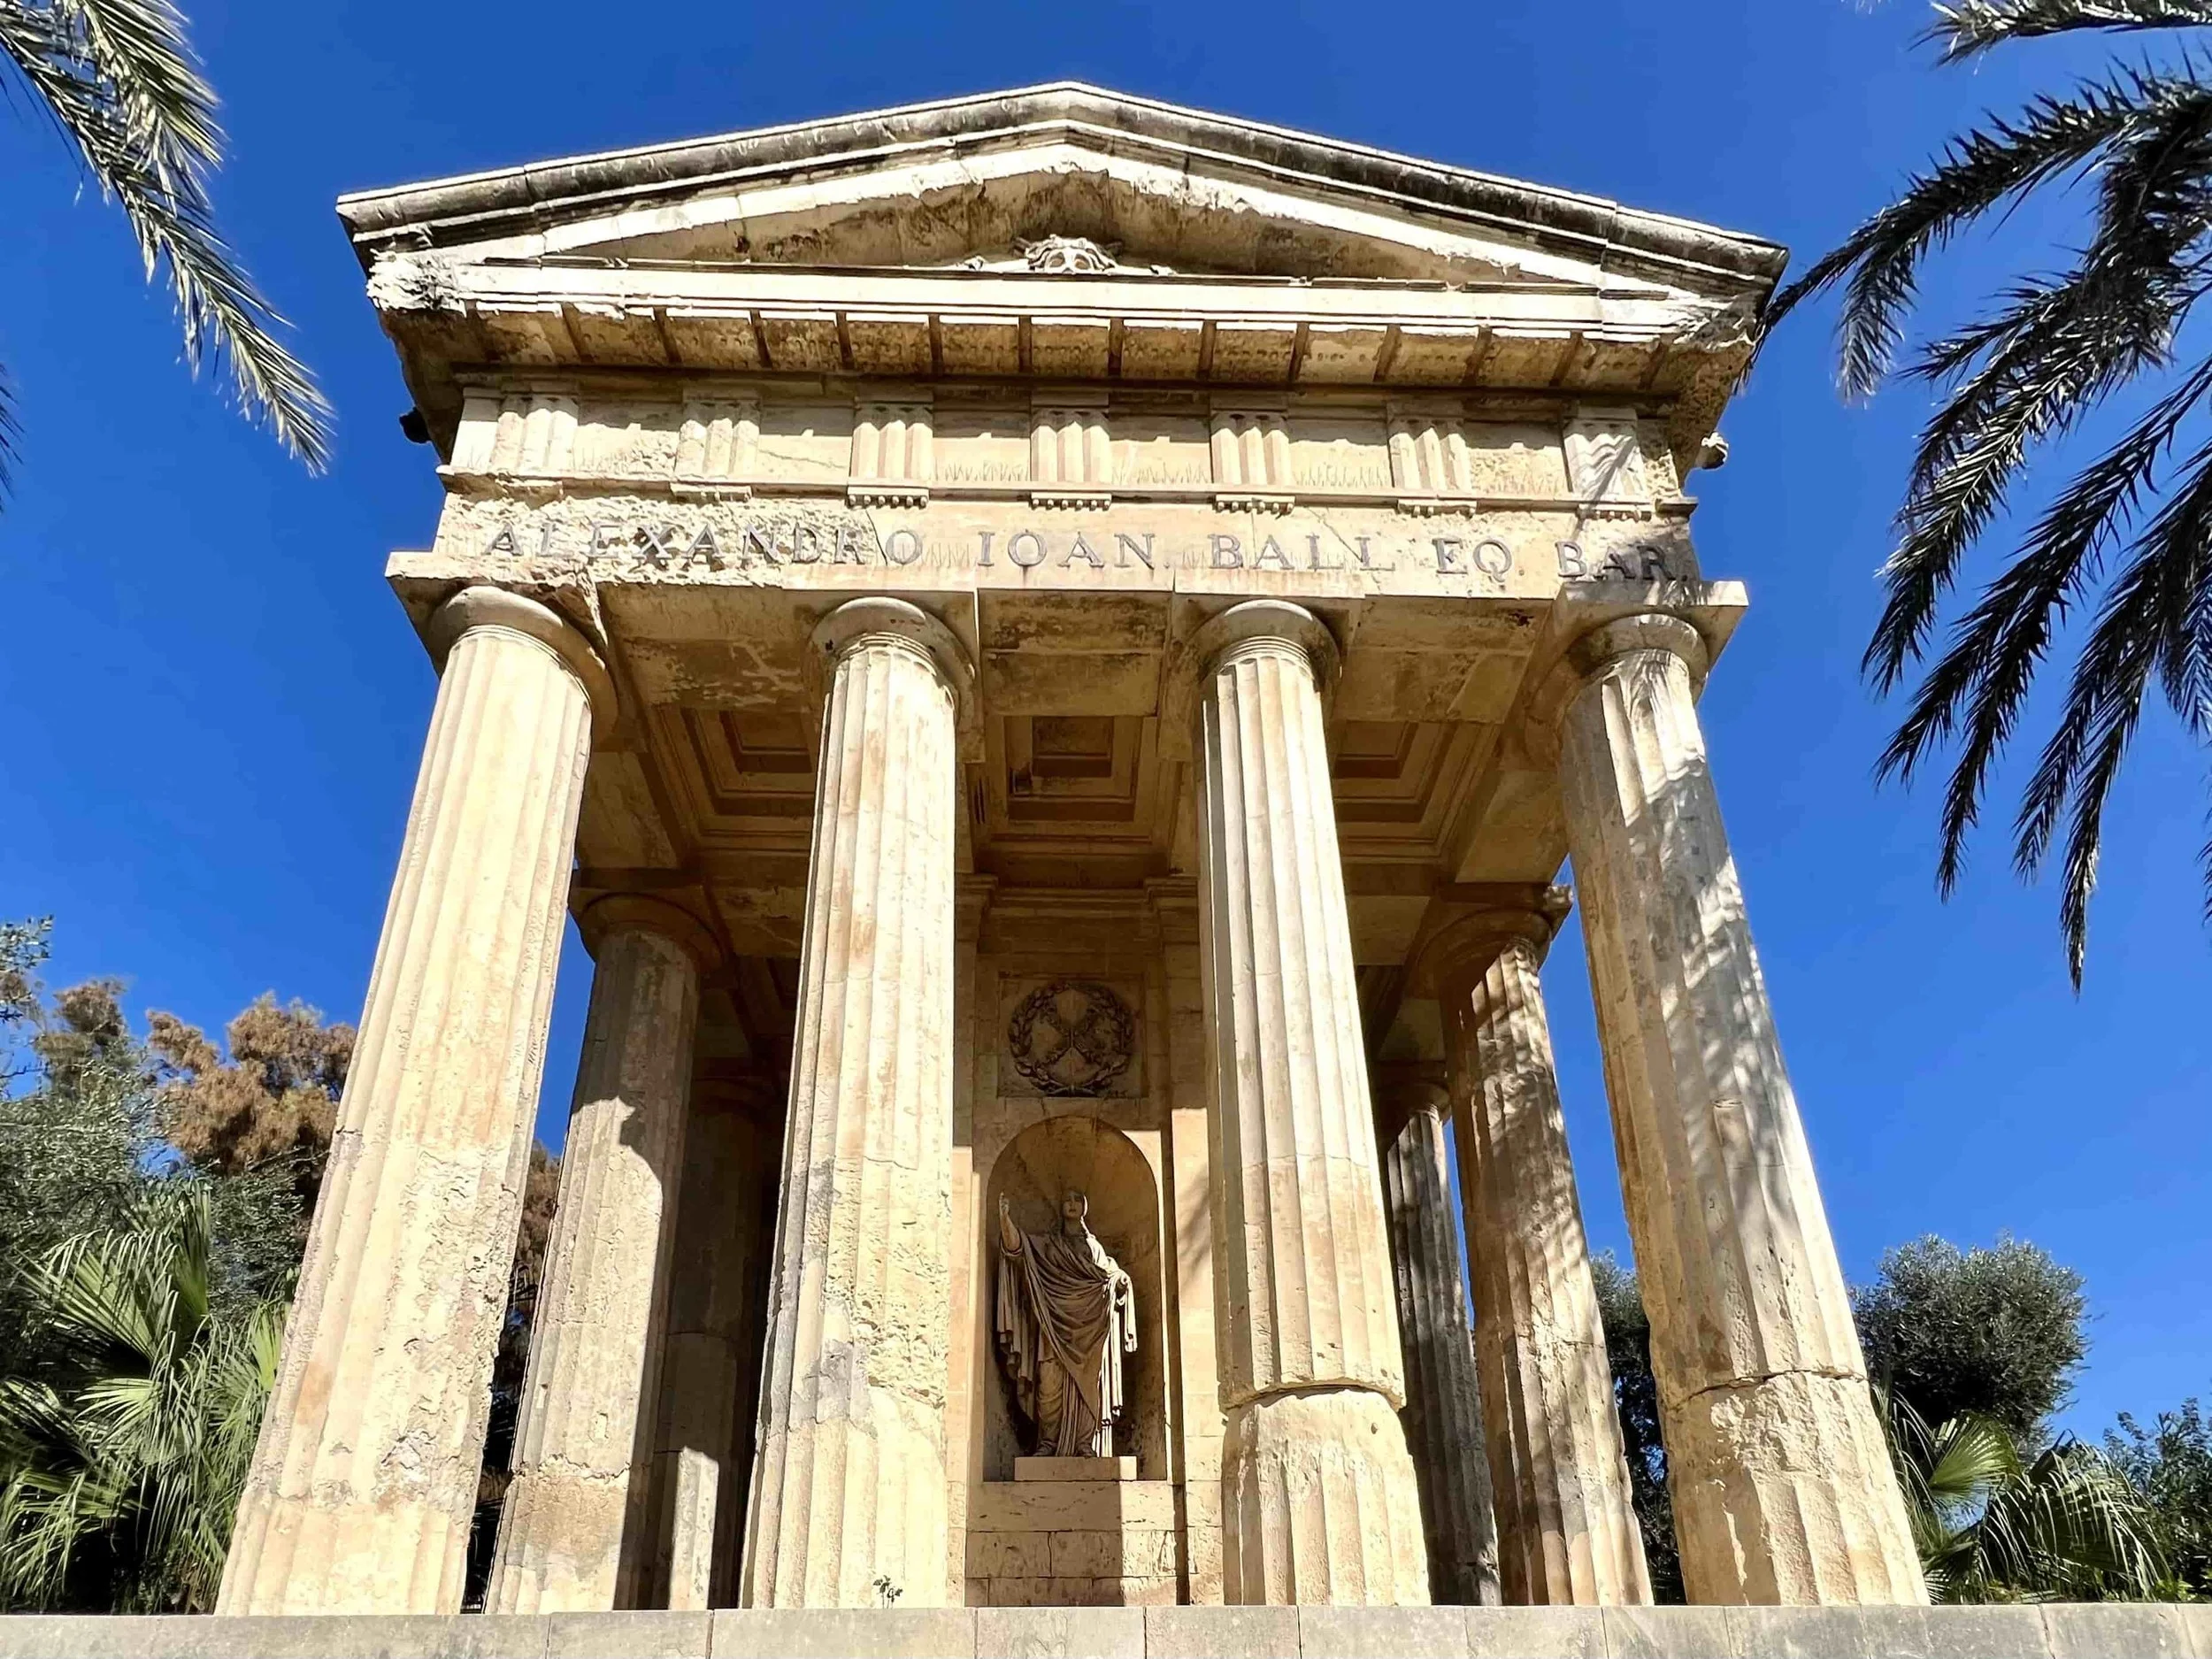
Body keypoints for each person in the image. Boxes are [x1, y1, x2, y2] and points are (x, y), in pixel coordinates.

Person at [994, 1189, 1135, 1457]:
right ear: (1061, 1207)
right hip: (1053, 1325)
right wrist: (1005, 1219)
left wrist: (1121, 1280)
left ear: (1085, 1207)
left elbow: (1108, 1273)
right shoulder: (1049, 1244)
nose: (1071, 1204)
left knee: (1089, 1387)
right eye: (1067, 1199)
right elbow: (1018, 1248)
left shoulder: (1094, 1248)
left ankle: (1084, 1443)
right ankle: (1048, 1442)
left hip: (1090, 1328)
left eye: (1077, 1199)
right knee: (1049, 1386)